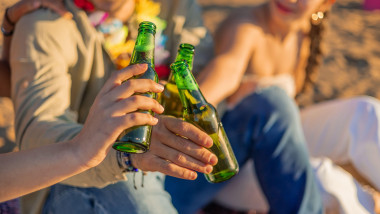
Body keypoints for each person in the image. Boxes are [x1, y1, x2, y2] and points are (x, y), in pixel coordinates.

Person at [165, 0, 380, 213]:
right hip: (226, 162)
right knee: (325, 178)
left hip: (277, 142)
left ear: (325, 3)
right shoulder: (245, 26)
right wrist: (185, 113)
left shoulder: (304, 33)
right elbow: (227, 70)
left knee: (366, 112)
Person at [7, 0, 218, 213]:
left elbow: (208, 72)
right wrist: (124, 152)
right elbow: (37, 132)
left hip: (173, 166)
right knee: (130, 172)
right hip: (82, 177)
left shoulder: (175, 6)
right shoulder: (47, 21)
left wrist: (173, 113)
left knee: (251, 108)